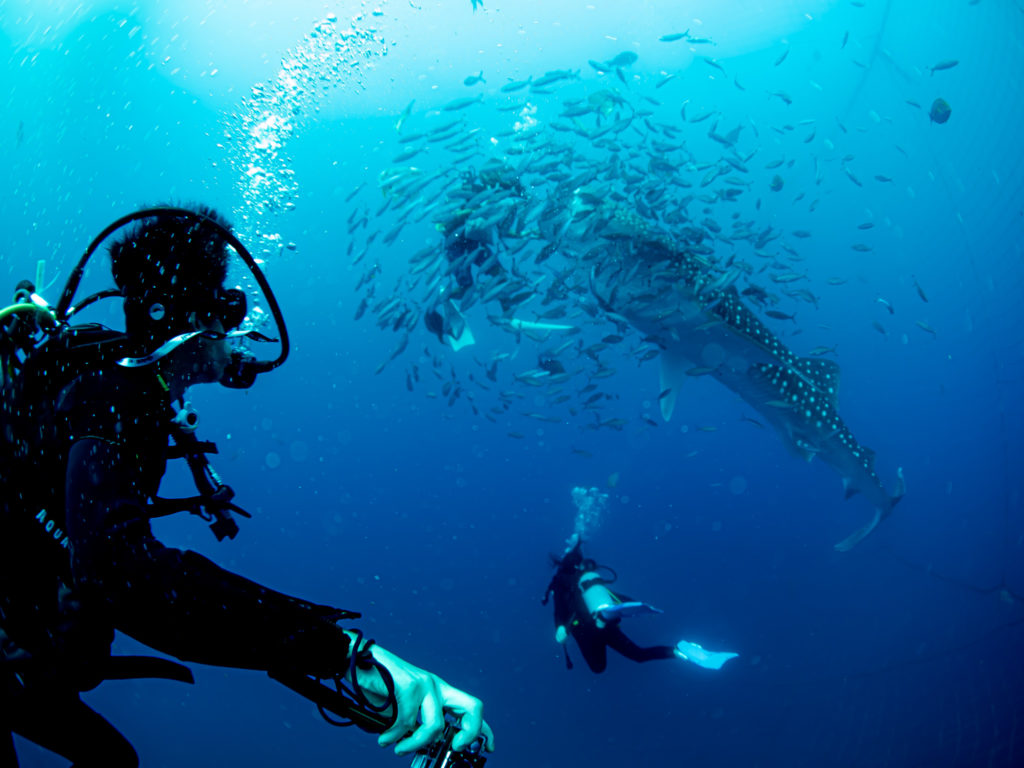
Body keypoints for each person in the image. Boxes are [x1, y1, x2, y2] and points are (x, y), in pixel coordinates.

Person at [0, 204, 494, 766]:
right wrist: (347, 654)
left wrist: (341, 667)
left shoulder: (121, 387)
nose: (235, 327)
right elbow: (116, 568)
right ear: (191, 319)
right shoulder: (115, 398)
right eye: (227, 307)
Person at [542, 536, 738, 674]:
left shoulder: (560, 582)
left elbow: (559, 608)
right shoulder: (587, 581)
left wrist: (559, 627)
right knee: (639, 654)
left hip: (585, 630)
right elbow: (615, 597)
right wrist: (635, 604)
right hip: (607, 621)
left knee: (598, 668)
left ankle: (601, 620)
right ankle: (679, 651)